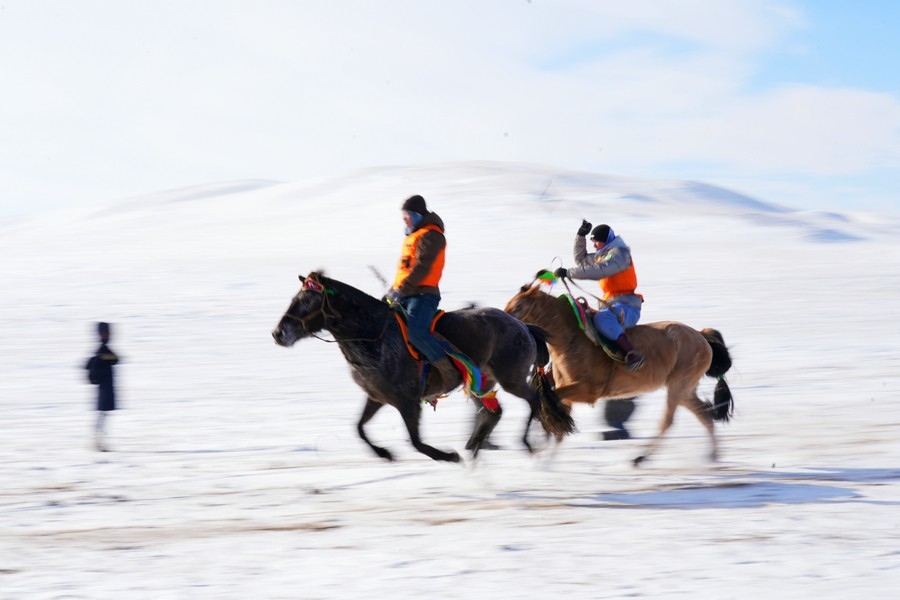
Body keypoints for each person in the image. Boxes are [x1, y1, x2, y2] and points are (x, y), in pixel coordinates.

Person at [384, 195, 459, 386]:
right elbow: (405, 271)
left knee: (417, 333)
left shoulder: (432, 235)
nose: (404, 220)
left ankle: (448, 371)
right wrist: (392, 291)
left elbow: (423, 268)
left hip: (423, 295)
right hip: (405, 293)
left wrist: (401, 290)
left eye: (407, 216)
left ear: (417, 215)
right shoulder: (414, 236)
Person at [554, 220, 645, 371]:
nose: (594, 245)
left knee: (602, 319)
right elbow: (581, 260)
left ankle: (632, 354)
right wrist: (580, 236)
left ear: (606, 240)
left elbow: (600, 271)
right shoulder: (603, 255)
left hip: (627, 306)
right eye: (593, 242)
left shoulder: (619, 254)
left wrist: (568, 273)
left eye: (597, 242)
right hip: (611, 304)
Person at [86, 321, 119, 451]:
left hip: (104, 388)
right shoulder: (102, 349)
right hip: (105, 388)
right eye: (107, 332)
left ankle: (99, 442)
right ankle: (98, 443)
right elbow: (116, 359)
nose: (110, 334)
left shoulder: (102, 349)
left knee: (103, 415)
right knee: (102, 416)